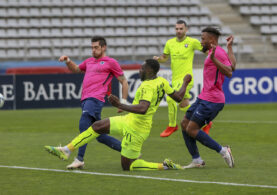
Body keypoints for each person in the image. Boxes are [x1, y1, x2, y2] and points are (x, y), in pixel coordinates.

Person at [45, 59, 192, 171]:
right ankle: (66, 150)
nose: (139, 70)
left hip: (138, 129)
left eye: (142, 68)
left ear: (150, 71)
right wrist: (185, 82)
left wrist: (120, 105)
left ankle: (164, 166)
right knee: (97, 126)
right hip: (130, 120)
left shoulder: (147, 86)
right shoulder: (161, 81)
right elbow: (179, 97)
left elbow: (143, 108)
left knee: (128, 166)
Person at [59, 36, 129, 169]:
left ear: (104, 47)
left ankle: (78, 158)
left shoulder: (111, 62)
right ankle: (129, 151)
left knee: (84, 124)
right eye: (92, 47)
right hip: (86, 99)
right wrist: (67, 60)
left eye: (96, 47)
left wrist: (123, 103)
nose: (93, 50)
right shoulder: (89, 61)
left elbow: (124, 81)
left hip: (96, 99)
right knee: (100, 136)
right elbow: (76, 69)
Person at [181, 27, 235, 169]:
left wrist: (214, 59)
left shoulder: (217, 52)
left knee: (192, 129)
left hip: (213, 100)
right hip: (204, 97)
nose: (201, 41)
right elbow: (233, 65)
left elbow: (230, 72)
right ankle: (197, 160)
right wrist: (230, 47)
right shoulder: (214, 51)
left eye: (203, 38)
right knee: (184, 124)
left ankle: (223, 151)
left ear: (211, 40)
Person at [153, 20, 212, 137]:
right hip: (175, 79)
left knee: (170, 99)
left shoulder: (192, 42)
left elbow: (207, 51)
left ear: (186, 30)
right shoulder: (170, 43)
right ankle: (206, 122)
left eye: (181, 29)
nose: (179, 31)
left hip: (186, 78)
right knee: (184, 105)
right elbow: (165, 57)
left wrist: (214, 57)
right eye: (177, 29)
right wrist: (159, 59)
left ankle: (172, 125)